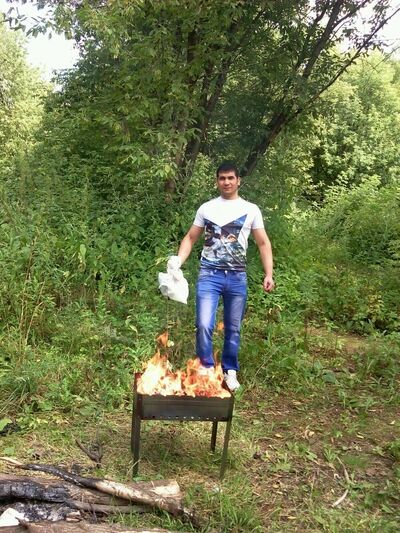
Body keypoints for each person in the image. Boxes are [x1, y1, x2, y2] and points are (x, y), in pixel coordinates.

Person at [167, 161, 274, 391]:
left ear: (238, 181)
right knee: (203, 324)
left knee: (233, 327)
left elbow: (263, 243)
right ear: (217, 181)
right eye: (222, 178)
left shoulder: (251, 209)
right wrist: (178, 261)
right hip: (209, 275)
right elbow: (190, 237)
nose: (226, 182)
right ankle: (206, 368)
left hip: (237, 277)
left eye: (230, 178)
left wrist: (269, 274)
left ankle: (229, 370)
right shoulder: (207, 208)